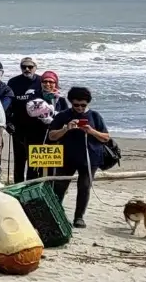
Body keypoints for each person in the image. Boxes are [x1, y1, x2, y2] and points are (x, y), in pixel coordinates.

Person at [47, 87, 110, 229]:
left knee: (84, 187)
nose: (80, 108)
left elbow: (106, 137)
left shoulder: (95, 116)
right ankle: (56, 214)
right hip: (67, 157)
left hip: (90, 158)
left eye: (83, 105)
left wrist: (91, 131)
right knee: (60, 186)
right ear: (71, 103)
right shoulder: (63, 115)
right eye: (76, 105)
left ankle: (79, 217)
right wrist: (66, 128)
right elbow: (51, 136)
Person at [8, 70, 64, 182]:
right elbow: (29, 112)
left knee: (51, 169)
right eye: (45, 81)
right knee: (34, 168)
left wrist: (55, 116)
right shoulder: (33, 96)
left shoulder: (60, 99)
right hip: (34, 137)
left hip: (53, 138)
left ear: (56, 83)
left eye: (51, 82)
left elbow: (65, 115)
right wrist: (45, 112)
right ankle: (31, 194)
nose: (48, 84)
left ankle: (48, 193)